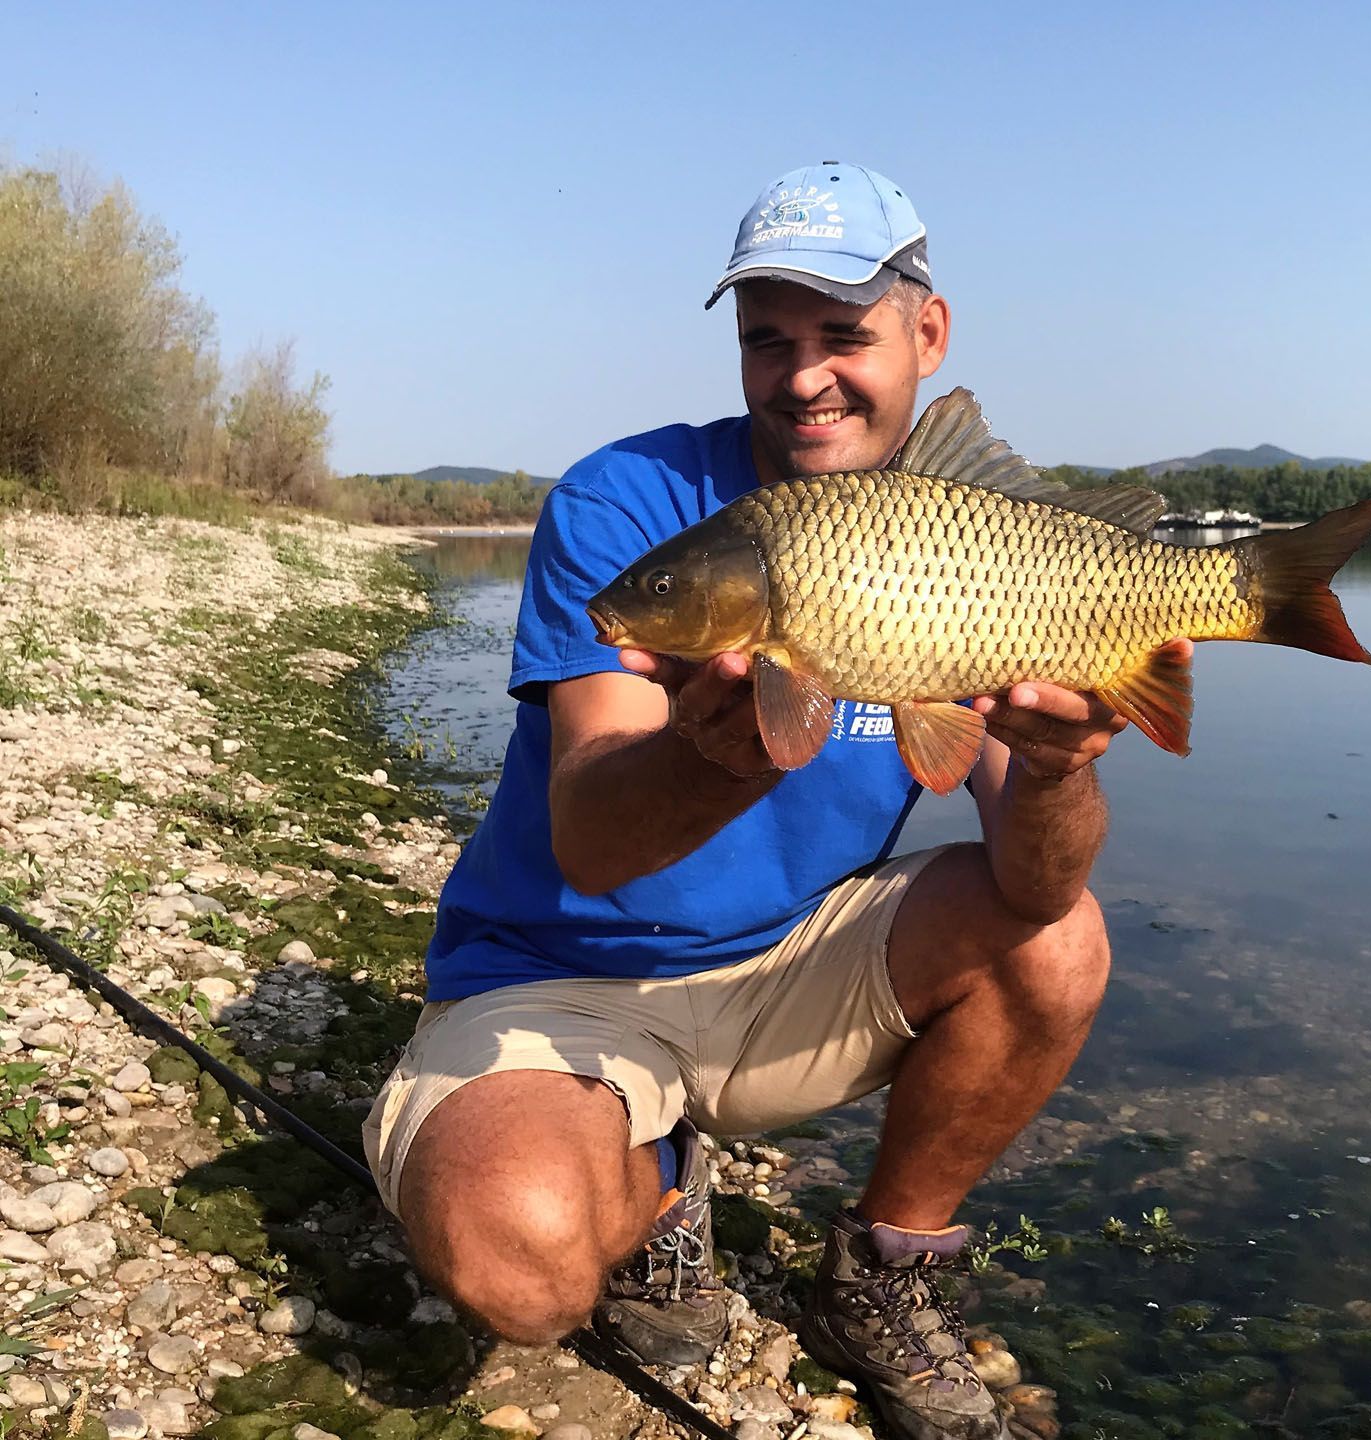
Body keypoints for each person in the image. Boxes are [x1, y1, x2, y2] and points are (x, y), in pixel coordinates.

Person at [364, 161, 1183, 1440]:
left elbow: (1036, 880)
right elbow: (590, 841)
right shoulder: (624, 502)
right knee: (519, 1271)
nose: (804, 376)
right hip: (565, 974)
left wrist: (1065, 764)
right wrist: (717, 753)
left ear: (929, 332)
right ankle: (654, 1178)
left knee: (1059, 935)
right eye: (767, 340)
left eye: (843, 335)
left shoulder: (968, 536)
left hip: (792, 964)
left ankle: (885, 1278)